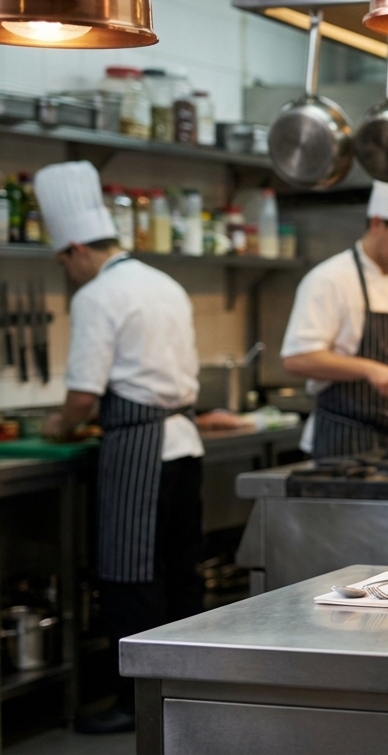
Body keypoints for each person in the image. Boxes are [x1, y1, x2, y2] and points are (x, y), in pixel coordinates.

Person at [35, 161, 203, 734]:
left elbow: (83, 397)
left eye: (64, 261)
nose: (67, 272)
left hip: (139, 448)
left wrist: (56, 425)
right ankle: (187, 691)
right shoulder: (165, 283)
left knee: (131, 576)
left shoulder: (98, 294)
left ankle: (135, 704)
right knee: (180, 573)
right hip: (184, 444)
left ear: (78, 248)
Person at [282, 162, 388, 457]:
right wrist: (369, 369)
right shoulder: (330, 279)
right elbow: (297, 359)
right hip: (342, 442)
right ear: (376, 223)